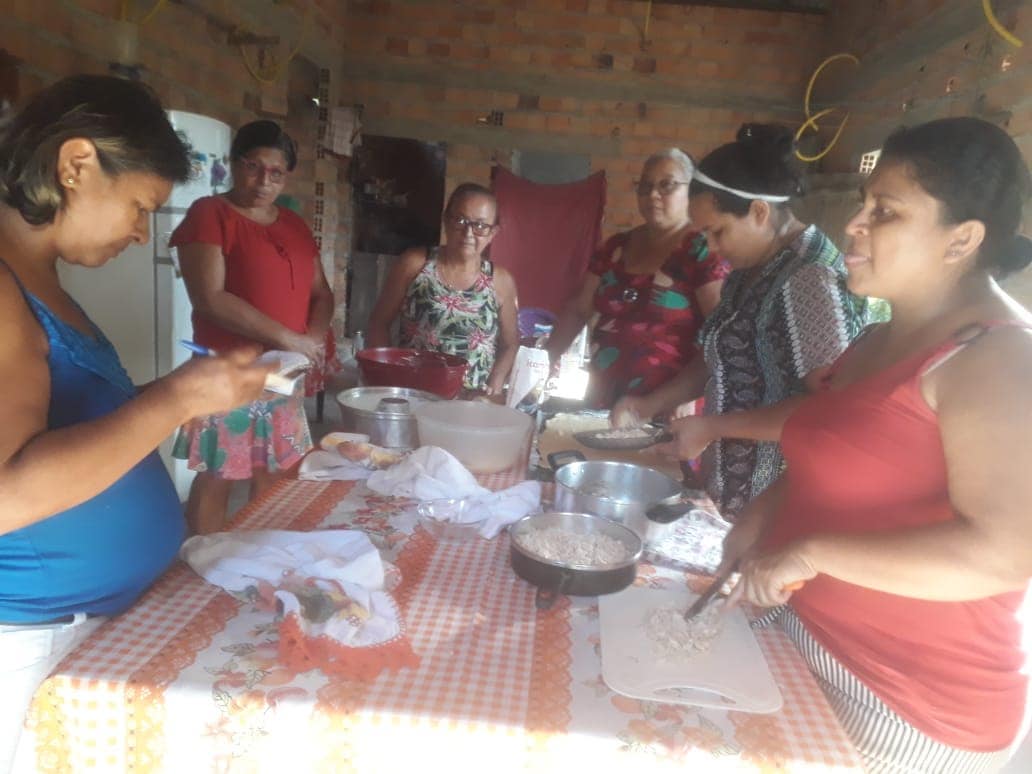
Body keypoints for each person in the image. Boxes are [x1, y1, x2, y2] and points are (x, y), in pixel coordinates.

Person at [727, 117, 1032, 771]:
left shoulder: (999, 359)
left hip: (903, 701)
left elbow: (1003, 556)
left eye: (884, 212)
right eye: (864, 205)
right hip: (805, 635)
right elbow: (832, 462)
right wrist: (759, 519)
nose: (853, 227)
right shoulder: (874, 342)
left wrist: (808, 552)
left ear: (963, 240)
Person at [0, 75, 270, 772]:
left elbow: (79, 425)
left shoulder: (41, 285)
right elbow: (6, 494)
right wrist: (173, 399)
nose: (140, 231)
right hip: (27, 645)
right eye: (139, 206)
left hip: (89, 627)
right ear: (76, 164)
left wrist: (196, 393)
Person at [618, 126, 873, 518]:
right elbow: (714, 357)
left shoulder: (810, 277)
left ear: (759, 211)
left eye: (718, 232)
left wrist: (714, 427)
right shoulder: (749, 269)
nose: (713, 247)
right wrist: (646, 405)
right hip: (735, 492)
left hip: (779, 503)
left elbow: (826, 410)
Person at [172, 121, 335, 535]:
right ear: (234, 164)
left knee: (275, 468)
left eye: (276, 172)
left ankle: (263, 555)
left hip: (284, 372)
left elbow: (322, 292)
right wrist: (289, 338)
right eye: (253, 166)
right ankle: (202, 563)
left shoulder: (294, 225)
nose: (264, 180)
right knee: (220, 473)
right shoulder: (210, 214)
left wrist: (312, 340)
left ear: (287, 174)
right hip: (229, 372)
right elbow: (210, 298)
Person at [547, 149, 729, 409]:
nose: (653, 194)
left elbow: (720, 335)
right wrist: (536, 367)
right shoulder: (616, 248)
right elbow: (577, 309)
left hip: (672, 409)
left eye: (667, 185)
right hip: (604, 401)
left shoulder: (702, 251)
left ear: (692, 191)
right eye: (645, 186)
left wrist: (683, 397)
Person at [366, 182, 519, 396]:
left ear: (493, 232)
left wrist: (496, 382)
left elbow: (511, 344)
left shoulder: (501, 281)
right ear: (446, 220)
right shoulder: (415, 264)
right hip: (415, 397)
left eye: (480, 226)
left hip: (472, 405)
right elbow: (378, 323)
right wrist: (387, 380)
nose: (468, 233)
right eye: (460, 220)